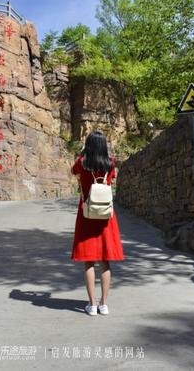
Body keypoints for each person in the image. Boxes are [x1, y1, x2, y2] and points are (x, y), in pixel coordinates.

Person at [70, 131, 125, 316]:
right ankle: (104, 304)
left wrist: (83, 153)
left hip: (87, 213)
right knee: (105, 260)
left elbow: (73, 171)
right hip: (105, 216)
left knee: (88, 261)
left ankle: (92, 305)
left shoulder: (82, 163)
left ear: (88, 144)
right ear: (103, 145)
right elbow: (113, 178)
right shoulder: (110, 163)